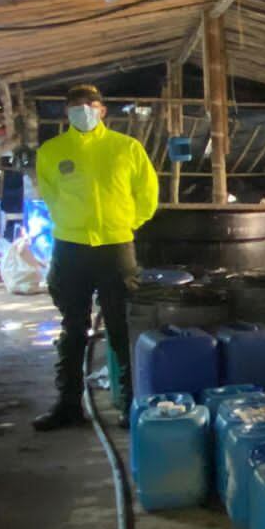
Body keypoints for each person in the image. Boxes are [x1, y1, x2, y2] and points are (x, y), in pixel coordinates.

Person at [32, 84, 158, 430]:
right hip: (70, 248)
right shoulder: (52, 151)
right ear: (66, 112)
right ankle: (68, 405)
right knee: (73, 329)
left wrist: (124, 224)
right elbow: (50, 194)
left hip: (116, 248)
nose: (83, 111)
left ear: (102, 110)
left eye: (90, 105)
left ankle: (131, 406)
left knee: (121, 328)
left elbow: (147, 194)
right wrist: (72, 225)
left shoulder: (126, 149)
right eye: (75, 106)